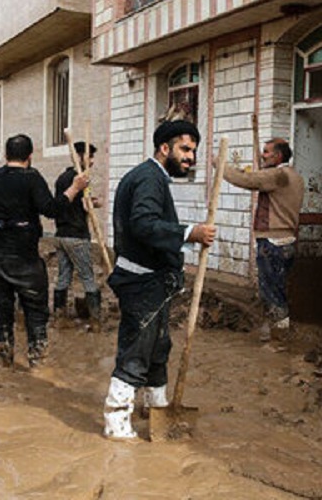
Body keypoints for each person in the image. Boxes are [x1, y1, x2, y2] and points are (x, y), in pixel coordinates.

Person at [102, 120, 216, 440]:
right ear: (164, 149)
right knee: (137, 351)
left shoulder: (151, 177)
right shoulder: (149, 179)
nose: (191, 157)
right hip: (141, 283)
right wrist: (189, 233)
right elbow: (143, 223)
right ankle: (116, 422)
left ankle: (156, 407)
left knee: (158, 347)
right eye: (185, 149)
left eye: (194, 151)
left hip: (153, 282)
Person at [0, 134, 88, 368]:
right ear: (30, 156)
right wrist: (75, 188)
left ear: (6, 155)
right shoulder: (31, 178)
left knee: (1, 310)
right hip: (24, 260)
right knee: (36, 312)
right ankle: (37, 364)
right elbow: (52, 209)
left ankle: (5, 359)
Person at [222, 137, 304, 340]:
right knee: (278, 288)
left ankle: (279, 337)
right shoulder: (294, 176)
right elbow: (255, 177)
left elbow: (247, 181)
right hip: (287, 240)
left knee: (272, 292)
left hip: (272, 242)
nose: (262, 155)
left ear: (278, 156)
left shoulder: (278, 175)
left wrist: (220, 165)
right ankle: (277, 331)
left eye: (266, 152)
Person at [52, 141, 103, 329]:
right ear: (81, 156)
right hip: (77, 235)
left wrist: (90, 200)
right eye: (90, 156)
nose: (92, 161)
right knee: (87, 276)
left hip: (60, 235)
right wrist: (93, 204)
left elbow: (69, 202)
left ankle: (59, 316)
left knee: (63, 276)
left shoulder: (62, 177)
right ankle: (96, 321)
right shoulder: (81, 179)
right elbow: (84, 205)